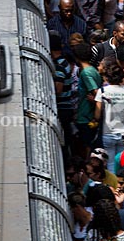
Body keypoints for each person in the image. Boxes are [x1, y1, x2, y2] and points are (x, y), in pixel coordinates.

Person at [94, 63, 124, 173]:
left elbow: (97, 115)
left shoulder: (102, 91)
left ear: (107, 77)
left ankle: (114, 187)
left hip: (108, 132)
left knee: (110, 164)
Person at [72, 43, 102, 159]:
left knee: (86, 145)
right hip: (87, 115)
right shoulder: (93, 70)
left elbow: (96, 92)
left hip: (86, 117)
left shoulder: (86, 73)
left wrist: (95, 100)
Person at [49, 31, 73, 159]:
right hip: (67, 107)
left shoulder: (59, 65)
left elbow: (58, 88)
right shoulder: (64, 62)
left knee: (62, 141)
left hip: (62, 108)